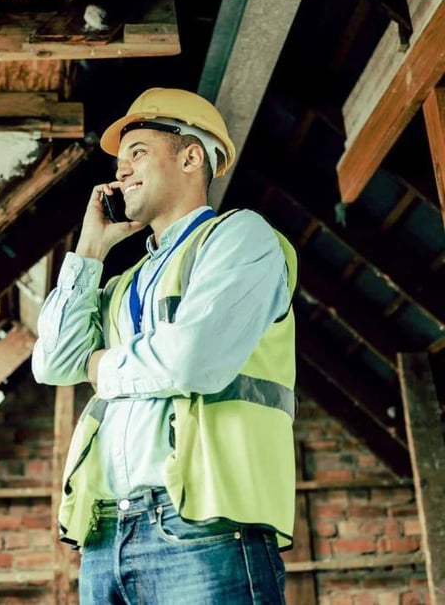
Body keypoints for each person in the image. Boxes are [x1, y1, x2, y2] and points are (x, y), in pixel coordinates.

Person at [32, 87, 297, 604]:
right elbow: (54, 361)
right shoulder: (123, 281)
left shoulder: (241, 237)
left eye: (138, 153)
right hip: (107, 533)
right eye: (119, 161)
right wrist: (90, 249)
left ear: (191, 155)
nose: (121, 171)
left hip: (204, 528)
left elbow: (195, 359)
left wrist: (104, 366)